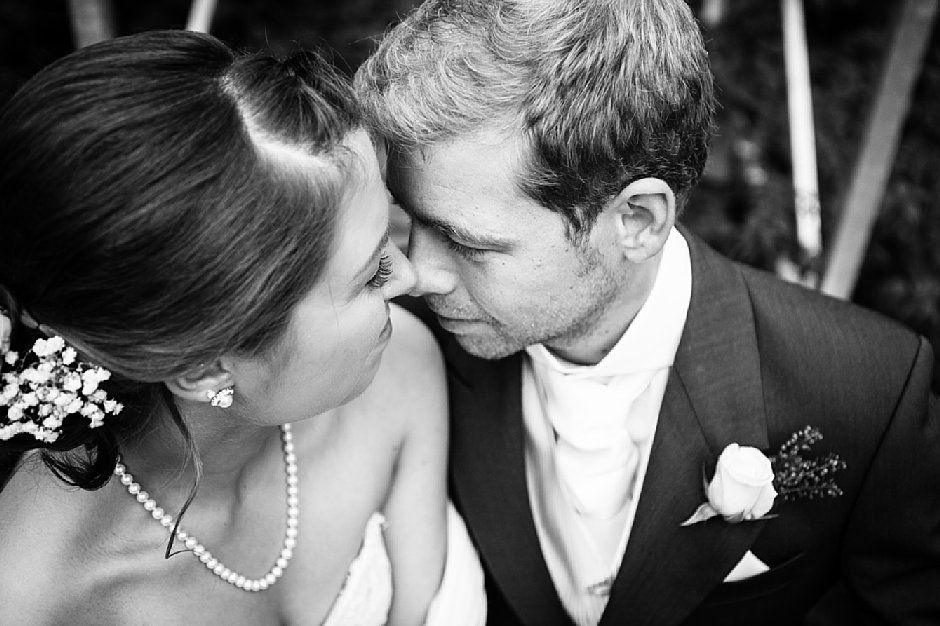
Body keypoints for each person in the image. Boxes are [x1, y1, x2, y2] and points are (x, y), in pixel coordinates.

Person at [354, 0, 940, 624]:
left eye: (469, 243)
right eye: (411, 221)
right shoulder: (399, 358)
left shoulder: (867, 392)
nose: (418, 272)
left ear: (637, 221)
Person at [0, 30, 485, 625]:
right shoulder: (37, 597)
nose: (411, 277)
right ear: (206, 369)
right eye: (369, 274)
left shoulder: (398, 369)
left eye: (390, 232)